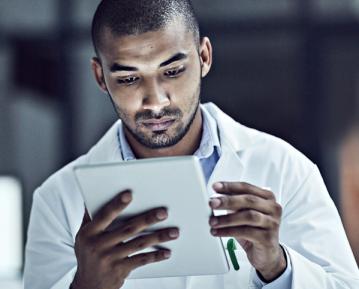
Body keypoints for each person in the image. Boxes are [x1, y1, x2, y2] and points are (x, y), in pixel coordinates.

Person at [23, 1, 359, 288]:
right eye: (128, 78)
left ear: (204, 57)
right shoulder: (58, 200)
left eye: (172, 71)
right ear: (100, 77)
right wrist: (85, 286)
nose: (155, 101)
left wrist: (278, 266)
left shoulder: (285, 169)